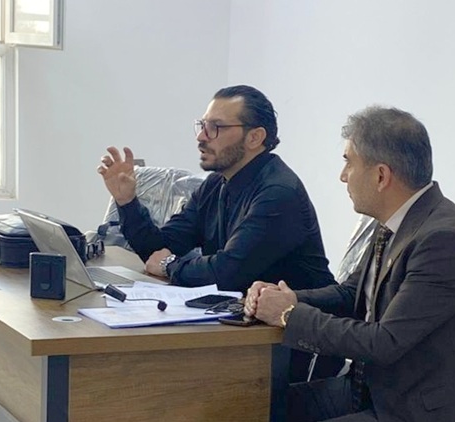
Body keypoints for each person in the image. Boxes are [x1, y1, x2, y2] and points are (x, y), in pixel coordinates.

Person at [245, 106, 455, 422]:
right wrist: (287, 298)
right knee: (257, 412)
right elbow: (352, 294)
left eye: (348, 162)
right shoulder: (399, 223)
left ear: (381, 175)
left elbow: (384, 342)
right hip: (377, 391)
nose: (342, 175)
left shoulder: (445, 241)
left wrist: (289, 315)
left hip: (425, 417)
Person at [96, 84, 343, 382]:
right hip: (241, 331)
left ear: (255, 137)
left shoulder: (278, 192)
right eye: (202, 126)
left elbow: (226, 272)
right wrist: (127, 201)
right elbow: (160, 248)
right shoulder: (216, 183)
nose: (201, 136)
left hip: (293, 349)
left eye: (216, 127)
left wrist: (170, 265)